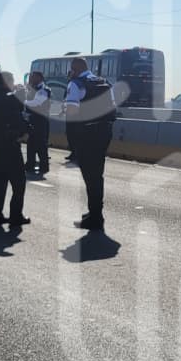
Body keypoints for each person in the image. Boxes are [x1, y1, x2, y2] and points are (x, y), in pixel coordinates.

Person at [65, 56, 117, 231]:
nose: (70, 73)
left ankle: (96, 217)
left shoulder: (76, 84)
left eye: (71, 70)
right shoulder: (104, 82)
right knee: (97, 174)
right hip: (104, 132)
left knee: (89, 176)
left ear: (76, 69)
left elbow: (72, 111)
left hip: (87, 134)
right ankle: (95, 212)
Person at [0, 71, 30, 230]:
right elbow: (17, 112)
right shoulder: (6, 97)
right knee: (19, 182)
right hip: (9, 145)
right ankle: (16, 216)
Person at [23, 70, 52, 177]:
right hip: (32, 120)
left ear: (39, 78)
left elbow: (37, 103)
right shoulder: (32, 89)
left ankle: (44, 166)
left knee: (40, 144)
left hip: (40, 121)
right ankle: (30, 164)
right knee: (31, 144)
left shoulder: (43, 90)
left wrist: (23, 102)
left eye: (32, 77)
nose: (30, 79)